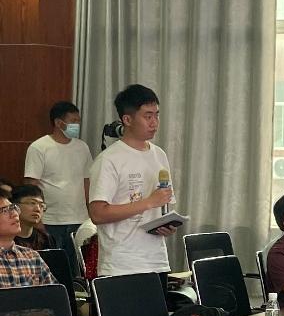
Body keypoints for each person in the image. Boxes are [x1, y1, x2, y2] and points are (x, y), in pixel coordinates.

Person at [88, 85, 177, 284]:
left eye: (156, 115)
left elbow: (162, 205)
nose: (154, 122)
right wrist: (148, 202)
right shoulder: (109, 160)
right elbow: (97, 213)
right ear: (127, 120)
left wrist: (167, 225)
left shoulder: (159, 154)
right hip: (122, 265)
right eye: (148, 116)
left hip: (156, 261)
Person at [23, 101, 93, 275]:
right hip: (50, 220)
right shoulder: (39, 147)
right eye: (73, 121)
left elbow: (87, 182)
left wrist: (91, 212)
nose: (77, 125)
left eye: (78, 121)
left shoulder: (82, 147)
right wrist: (36, 219)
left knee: (78, 270)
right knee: (53, 269)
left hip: (79, 219)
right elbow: (31, 185)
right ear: (58, 122)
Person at [10, 184, 57, 251]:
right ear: (14, 206)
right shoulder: (6, 238)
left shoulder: (45, 238)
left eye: (41, 205)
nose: (38, 209)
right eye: (32, 203)